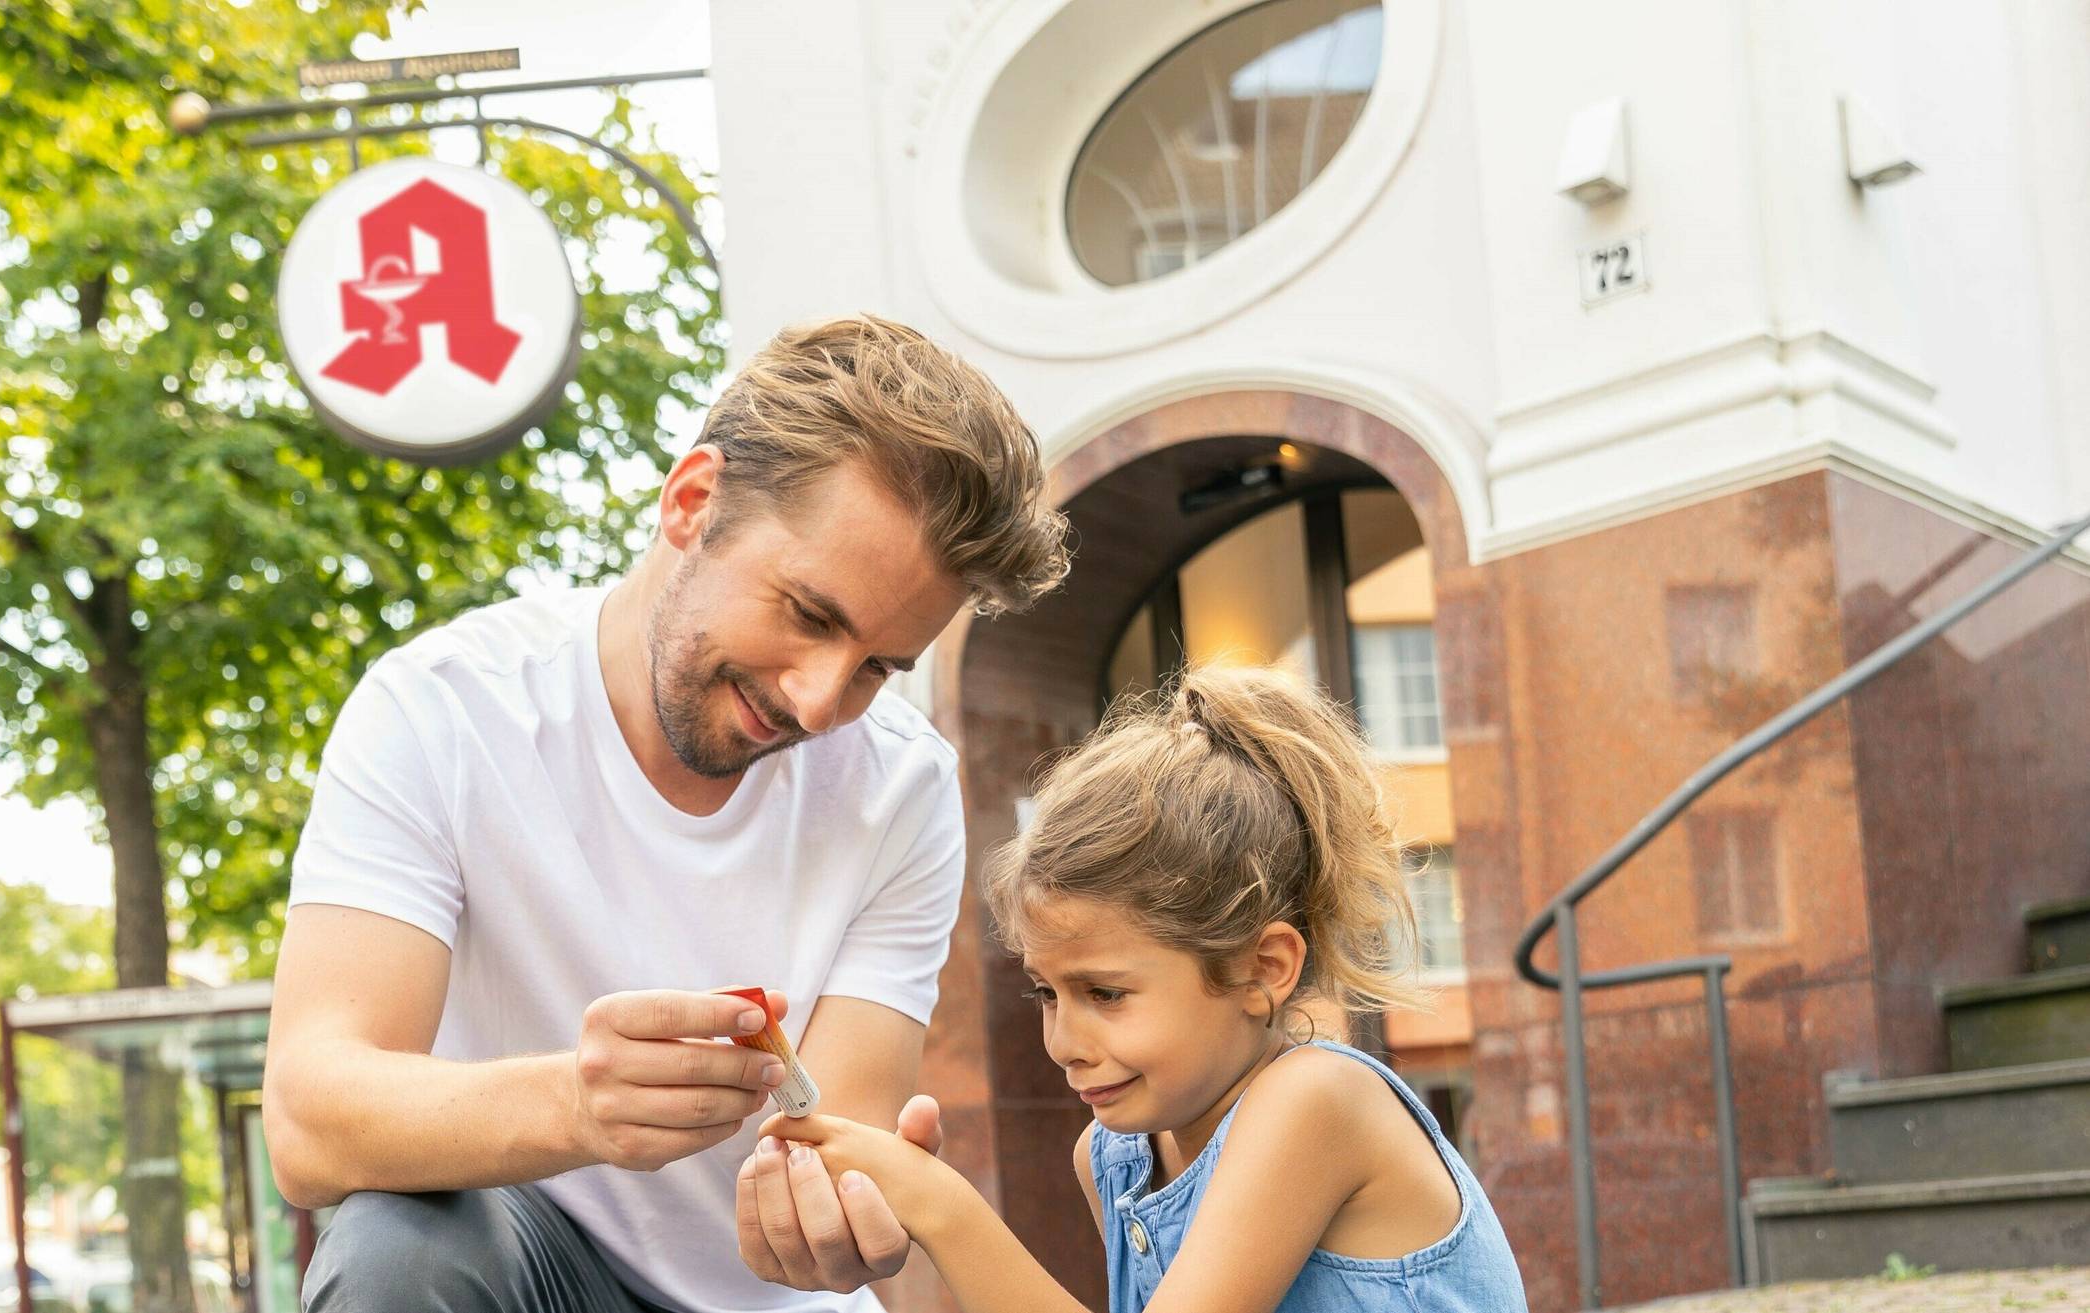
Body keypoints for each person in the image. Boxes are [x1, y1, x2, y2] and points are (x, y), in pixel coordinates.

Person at [266, 314, 1070, 1313]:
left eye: (876, 666)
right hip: (527, 1265)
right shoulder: (443, 709)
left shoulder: (899, 788)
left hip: (771, 1302)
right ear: (692, 502)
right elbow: (310, 1119)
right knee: (398, 1245)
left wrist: (841, 1220)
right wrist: (575, 1102)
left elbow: (844, 1141)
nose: (820, 700)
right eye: (810, 614)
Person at [763, 666, 1530, 1313]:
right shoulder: (1115, 1157)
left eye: (1105, 992)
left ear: (1264, 969)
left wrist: (939, 1202)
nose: (1064, 1043)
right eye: (1047, 994)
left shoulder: (1319, 1100)